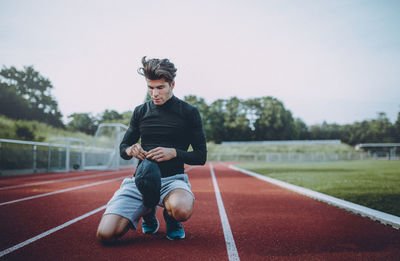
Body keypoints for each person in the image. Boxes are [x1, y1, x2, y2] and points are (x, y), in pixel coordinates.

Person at [96, 56, 207, 243]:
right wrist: (131, 149)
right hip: (141, 180)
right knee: (105, 235)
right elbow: (123, 149)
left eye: (160, 88)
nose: (154, 93)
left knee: (181, 209)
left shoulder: (189, 112)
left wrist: (175, 153)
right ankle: (148, 209)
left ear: (172, 84)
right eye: (150, 87)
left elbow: (201, 156)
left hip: (173, 181)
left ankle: (171, 219)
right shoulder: (140, 111)